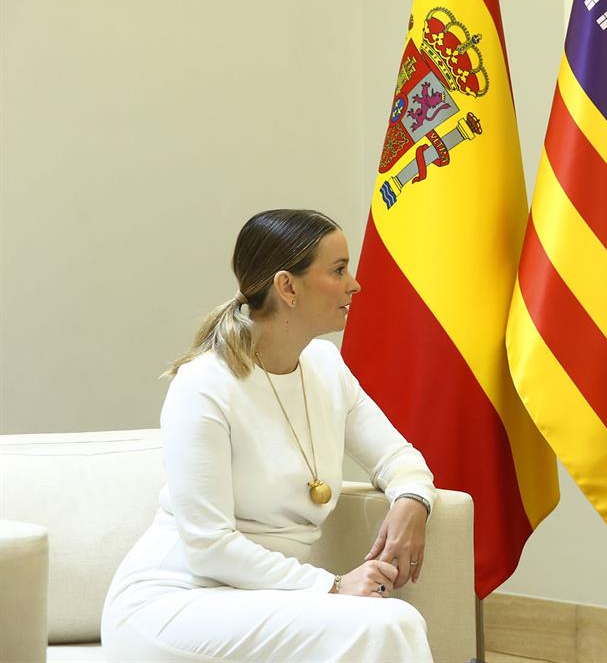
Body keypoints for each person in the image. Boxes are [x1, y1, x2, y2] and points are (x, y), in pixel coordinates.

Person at [102, 209, 437, 662]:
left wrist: (412, 500)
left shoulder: (325, 366)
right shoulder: (203, 384)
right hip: (177, 604)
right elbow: (209, 547)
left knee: (388, 623)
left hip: (271, 598)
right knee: (389, 623)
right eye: (338, 270)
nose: (354, 284)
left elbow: (397, 458)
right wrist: (332, 586)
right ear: (287, 287)